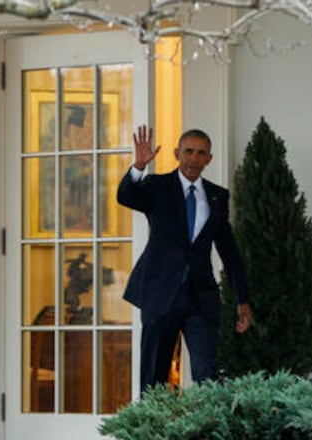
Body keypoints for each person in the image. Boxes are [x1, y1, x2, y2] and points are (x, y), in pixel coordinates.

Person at [117, 125, 252, 392]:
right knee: (154, 378)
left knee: (207, 377)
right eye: (189, 151)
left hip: (200, 299)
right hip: (160, 294)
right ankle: (151, 432)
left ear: (209, 159)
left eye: (201, 153)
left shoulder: (217, 196)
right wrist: (139, 167)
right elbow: (126, 197)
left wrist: (243, 300)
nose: (194, 158)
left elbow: (229, 250)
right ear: (178, 153)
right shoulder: (157, 186)